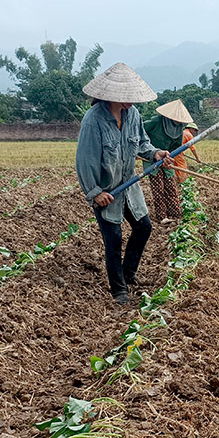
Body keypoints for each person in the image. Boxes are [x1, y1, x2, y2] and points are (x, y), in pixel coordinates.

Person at [75, 63, 172, 304]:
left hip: (129, 185)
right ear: (112, 95)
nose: (131, 102)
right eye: (126, 98)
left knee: (144, 227)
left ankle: (128, 273)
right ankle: (119, 289)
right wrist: (95, 192)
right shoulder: (93, 120)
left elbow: (142, 143)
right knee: (114, 239)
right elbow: (85, 160)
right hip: (106, 190)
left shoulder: (133, 115)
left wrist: (156, 153)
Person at [143, 99, 192, 222]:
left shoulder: (179, 128)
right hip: (152, 157)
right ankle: (162, 217)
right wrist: (149, 149)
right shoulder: (156, 121)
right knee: (158, 187)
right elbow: (140, 131)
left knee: (170, 186)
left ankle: (175, 215)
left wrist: (170, 158)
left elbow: (176, 146)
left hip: (167, 158)